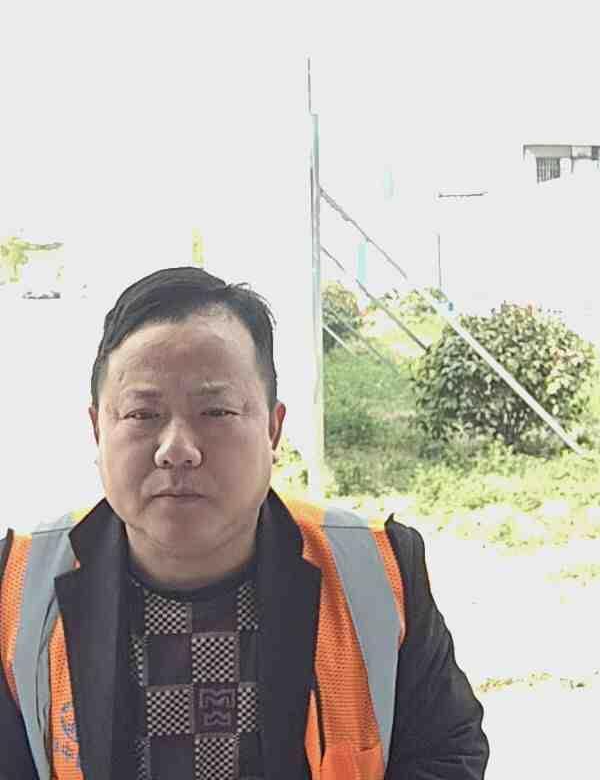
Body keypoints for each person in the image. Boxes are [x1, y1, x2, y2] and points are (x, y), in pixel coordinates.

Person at [0, 266, 489, 779]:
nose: (177, 449)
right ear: (98, 429)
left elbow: (446, 752)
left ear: (273, 428)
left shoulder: (377, 571)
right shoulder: (16, 590)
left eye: (216, 412)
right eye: (143, 415)